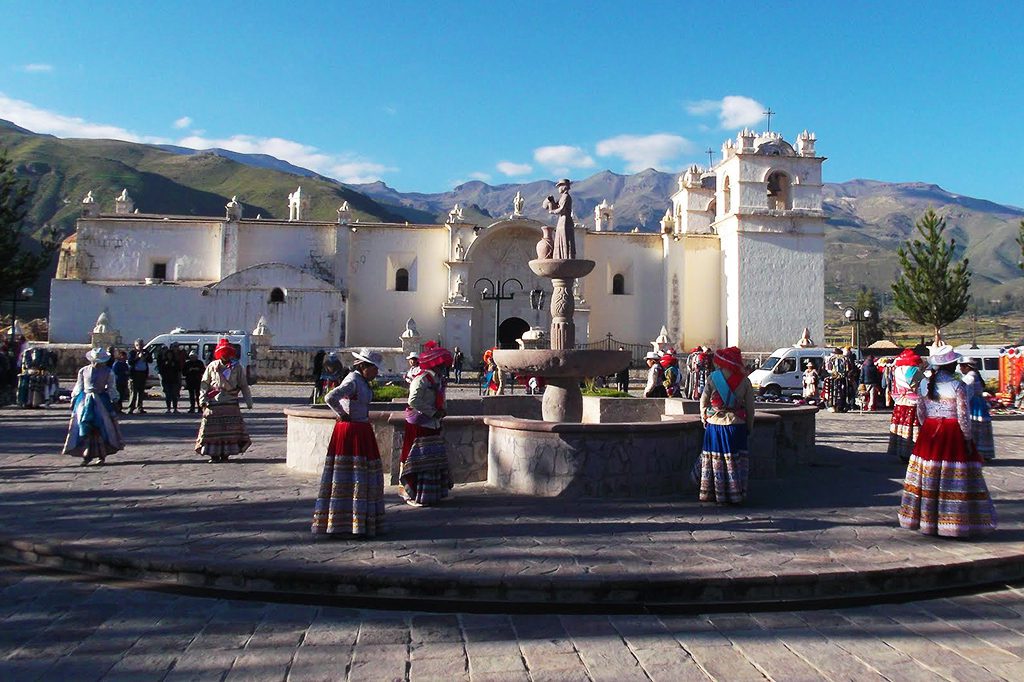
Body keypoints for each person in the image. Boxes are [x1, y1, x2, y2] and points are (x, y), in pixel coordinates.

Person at [898, 345, 996, 538]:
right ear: (951, 365)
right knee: (952, 477)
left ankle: (927, 520)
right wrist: (967, 438)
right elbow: (963, 415)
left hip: (930, 433)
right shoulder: (957, 386)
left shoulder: (925, 384)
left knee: (927, 475)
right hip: (951, 434)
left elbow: (921, 412)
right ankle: (951, 522)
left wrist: (929, 427)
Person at [311, 349, 386, 538]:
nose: (376, 373)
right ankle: (346, 520)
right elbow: (330, 397)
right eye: (374, 369)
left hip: (360, 429)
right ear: (363, 366)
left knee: (360, 475)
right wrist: (342, 414)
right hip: (352, 430)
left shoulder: (361, 381)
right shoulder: (353, 381)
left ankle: (356, 519)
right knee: (353, 475)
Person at [698, 347, 755, 504]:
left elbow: (703, 401)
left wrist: (704, 417)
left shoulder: (712, 377)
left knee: (715, 461)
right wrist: (749, 425)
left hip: (715, 426)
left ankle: (713, 493)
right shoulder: (744, 380)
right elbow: (750, 408)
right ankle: (735, 494)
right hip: (736, 425)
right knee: (735, 461)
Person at [399, 341, 454, 507]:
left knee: (432, 458)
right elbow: (413, 400)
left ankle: (432, 492)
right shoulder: (422, 379)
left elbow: (439, 398)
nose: (444, 366)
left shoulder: (436, 379)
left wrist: (442, 410)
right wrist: (432, 412)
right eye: (442, 364)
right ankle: (412, 492)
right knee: (416, 458)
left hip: (432, 424)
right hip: (420, 424)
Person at [62, 347, 125, 466]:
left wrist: (115, 399)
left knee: (100, 427)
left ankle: (101, 454)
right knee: (85, 427)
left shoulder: (108, 371)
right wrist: (74, 399)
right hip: (84, 401)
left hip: (101, 400)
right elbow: (79, 386)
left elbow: (111, 387)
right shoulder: (83, 371)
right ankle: (86, 454)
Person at [195, 339, 253, 463]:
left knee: (229, 429)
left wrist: (249, 401)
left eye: (227, 352)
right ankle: (213, 454)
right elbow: (205, 383)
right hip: (214, 402)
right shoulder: (212, 366)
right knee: (212, 429)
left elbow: (243, 385)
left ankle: (226, 454)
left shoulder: (236, 367)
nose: (225, 354)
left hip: (230, 402)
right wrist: (202, 399)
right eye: (222, 352)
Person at [887, 349, 923, 463]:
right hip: (912, 402)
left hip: (900, 401)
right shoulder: (914, 370)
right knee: (913, 427)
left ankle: (901, 451)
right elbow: (922, 383)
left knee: (901, 425)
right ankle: (912, 451)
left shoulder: (897, 370)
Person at [960, 357, 994, 461]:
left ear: (966, 367)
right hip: (980, 404)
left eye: (961, 366)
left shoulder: (969, 377)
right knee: (981, 428)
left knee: (973, 428)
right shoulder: (975, 375)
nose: (960, 369)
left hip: (973, 404)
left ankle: (975, 452)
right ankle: (983, 452)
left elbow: (967, 393)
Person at [546, 178, 576, 260]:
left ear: (564, 187)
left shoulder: (566, 197)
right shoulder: (562, 197)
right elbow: (556, 206)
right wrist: (551, 202)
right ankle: (560, 256)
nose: (558, 188)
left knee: (565, 238)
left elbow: (562, 209)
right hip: (561, 221)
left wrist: (552, 211)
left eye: (559, 186)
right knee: (560, 238)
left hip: (566, 221)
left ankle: (566, 257)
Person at [157, 343, 184, 413]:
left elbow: (179, 370)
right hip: (166, 380)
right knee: (168, 395)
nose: (169, 356)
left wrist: (174, 366)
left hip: (174, 380)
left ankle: (175, 408)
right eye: (168, 355)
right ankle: (168, 408)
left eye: (171, 355)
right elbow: (160, 370)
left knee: (174, 395)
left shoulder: (175, 361)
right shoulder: (163, 362)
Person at [126, 338, 151, 414]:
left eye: (141, 345)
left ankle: (140, 407)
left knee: (141, 392)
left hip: (143, 374)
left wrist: (145, 357)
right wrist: (138, 358)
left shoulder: (145, 352)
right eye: (138, 345)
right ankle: (131, 408)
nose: (140, 347)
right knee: (133, 392)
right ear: (135, 345)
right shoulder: (132, 353)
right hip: (134, 375)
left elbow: (150, 360)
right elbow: (130, 362)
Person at [823, 347, 848, 413]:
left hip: (833, 378)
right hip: (839, 379)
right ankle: (838, 406)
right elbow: (847, 369)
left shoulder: (830, 359)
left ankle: (834, 406)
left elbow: (826, 370)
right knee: (839, 392)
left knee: (833, 392)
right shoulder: (843, 359)